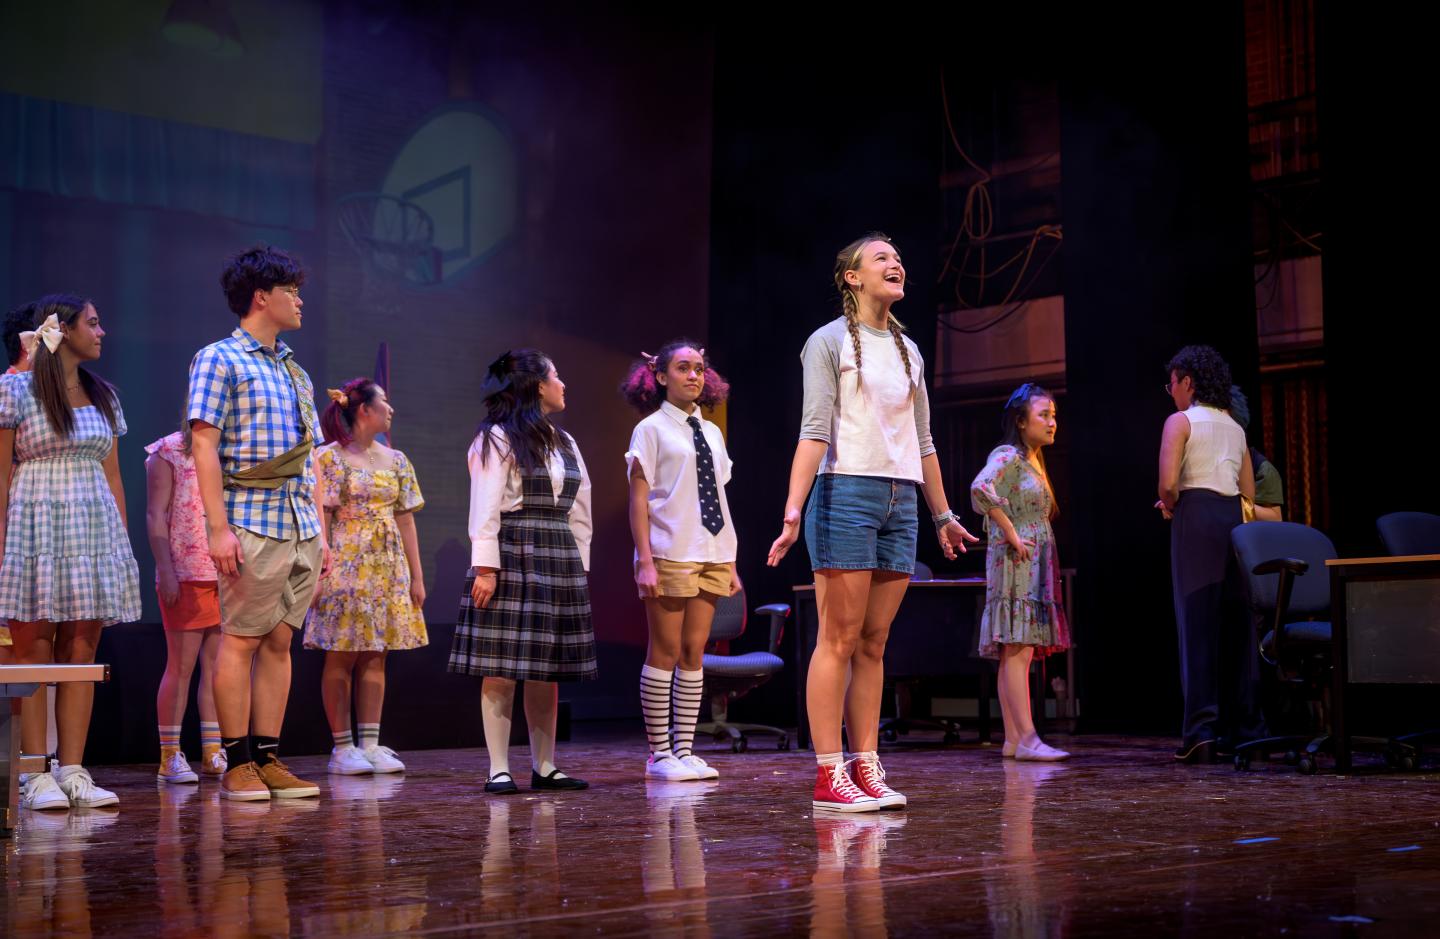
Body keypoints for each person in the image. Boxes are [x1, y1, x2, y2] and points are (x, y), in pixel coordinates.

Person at [768, 232, 978, 812]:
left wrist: (943, 514)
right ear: (852, 278)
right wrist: (793, 509)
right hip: (844, 493)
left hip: (901, 498)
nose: (897, 264)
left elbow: (925, 440)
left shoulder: (910, 351)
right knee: (837, 637)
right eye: (882, 258)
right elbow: (814, 431)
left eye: (899, 258)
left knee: (875, 642)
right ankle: (828, 772)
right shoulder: (827, 342)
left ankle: (866, 765)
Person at [187, 245, 328, 801]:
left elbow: (312, 460)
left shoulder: (295, 368)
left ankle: (269, 757)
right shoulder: (219, 358)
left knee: (278, 644)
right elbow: (204, 444)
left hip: (299, 524)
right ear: (260, 297)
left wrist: (321, 533)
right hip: (251, 519)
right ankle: (238, 760)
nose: (299, 300)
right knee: (240, 642)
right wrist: (217, 529)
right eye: (290, 290)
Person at [447, 349, 597, 794]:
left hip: (557, 554)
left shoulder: (565, 442)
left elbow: (581, 507)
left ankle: (545, 765)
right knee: (502, 666)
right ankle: (498, 766)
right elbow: (486, 507)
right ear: (536, 386)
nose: (563, 384)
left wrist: (580, 567)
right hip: (514, 550)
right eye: (556, 376)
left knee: (544, 668)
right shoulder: (497, 438)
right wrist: (485, 568)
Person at [621, 341, 738, 782]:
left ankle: (685, 749)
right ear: (661, 376)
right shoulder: (650, 430)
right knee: (665, 651)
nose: (693, 376)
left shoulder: (711, 432)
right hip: (670, 549)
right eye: (683, 368)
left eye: (699, 369)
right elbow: (638, 500)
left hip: (711, 550)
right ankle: (659, 753)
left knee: (694, 652)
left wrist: (730, 557)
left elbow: (720, 498)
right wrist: (644, 559)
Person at [970, 382, 1071, 761]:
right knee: (1018, 649)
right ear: (1021, 420)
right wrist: (1010, 530)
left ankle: (1014, 738)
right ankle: (1027, 737)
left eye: (1054, 416)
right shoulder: (1008, 455)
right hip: (1016, 562)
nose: (1051, 423)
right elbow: (980, 488)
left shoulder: (1030, 460)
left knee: (1017, 651)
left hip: (1028, 560)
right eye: (1043, 415)